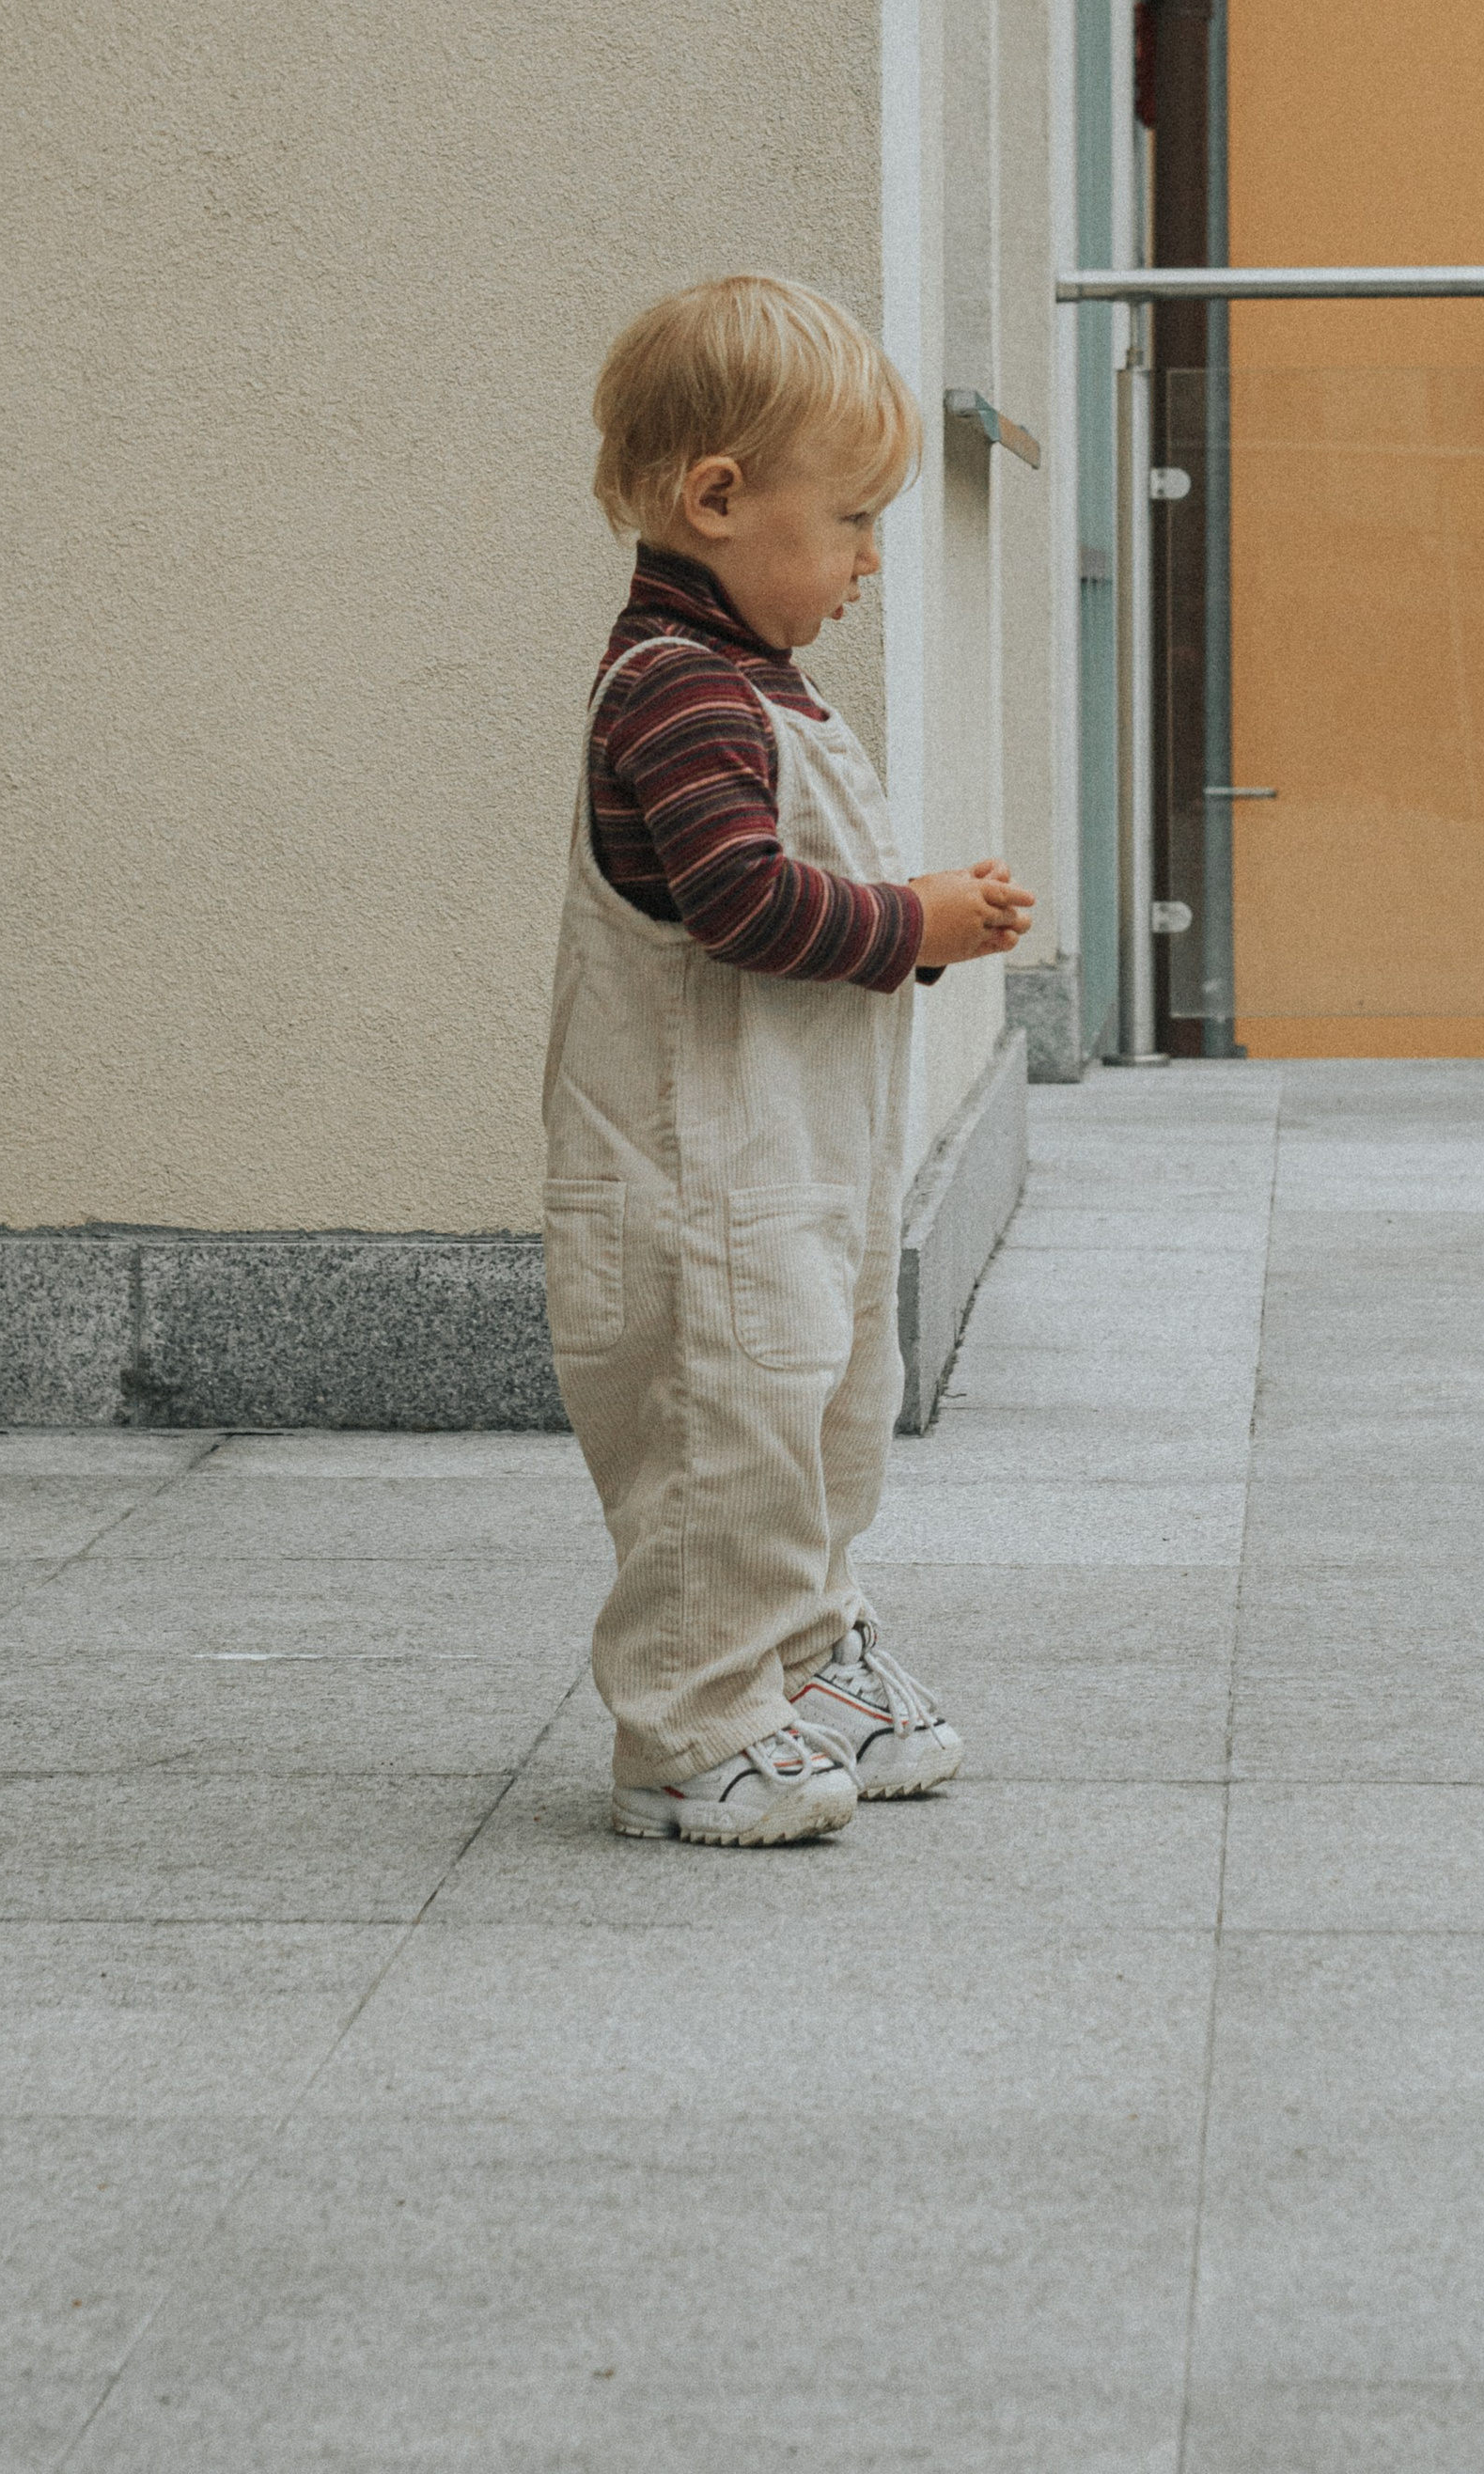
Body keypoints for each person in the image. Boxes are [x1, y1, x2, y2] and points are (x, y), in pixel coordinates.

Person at [543, 274, 1033, 1847]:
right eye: (852, 522)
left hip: (792, 1182)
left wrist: (915, 915)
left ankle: (809, 1662)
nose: (873, 561)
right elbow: (744, 901)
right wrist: (917, 920)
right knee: (722, 1454)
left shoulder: (759, 684)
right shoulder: (677, 692)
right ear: (719, 500)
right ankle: (689, 1728)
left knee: (823, 1420)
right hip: (694, 1196)